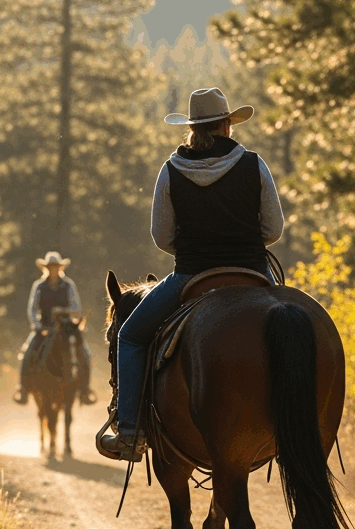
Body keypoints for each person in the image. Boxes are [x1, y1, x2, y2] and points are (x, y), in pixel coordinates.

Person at [98, 87, 284, 462]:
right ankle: (299, 426)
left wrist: (194, 251)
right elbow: (274, 229)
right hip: (252, 270)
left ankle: (131, 430)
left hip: (191, 275)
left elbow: (161, 237)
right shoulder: (254, 164)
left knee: (132, 336)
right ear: (227, 126)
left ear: (192, 128)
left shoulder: (170, 170)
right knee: (292, 327)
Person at [13, 251, 95, 405]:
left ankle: (85, 391)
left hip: (66, 329)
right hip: (43, 329)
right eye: (51, 267)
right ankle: (23, 391)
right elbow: (32, 309)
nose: (53, 270)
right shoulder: (39, 286)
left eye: (56, 267)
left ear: (60, 268)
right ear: (46, 268)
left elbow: (76, 309)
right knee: (26, 354)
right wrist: (38, 327)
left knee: (85, 354)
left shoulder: (69, 285)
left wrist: (62, 311)